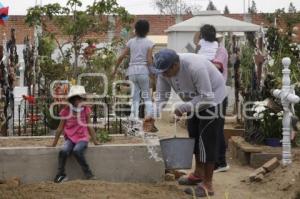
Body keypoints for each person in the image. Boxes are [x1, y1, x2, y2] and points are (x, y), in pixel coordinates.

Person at [153, 49, 226, 197]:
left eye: (166, 71)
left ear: (175, 64)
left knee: (207, 140)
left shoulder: (195, 67)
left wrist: (184, 108)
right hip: (194, 101)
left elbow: (207, 98)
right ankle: (198, 174)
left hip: (214, 100)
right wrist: (151, 114)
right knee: (194, 135)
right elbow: (161, 97)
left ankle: (208, 184)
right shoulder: (163, 72)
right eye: (161, 72)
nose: (163, 75)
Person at [194, 28, 230, 173]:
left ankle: (221, 162)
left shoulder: (221, 50)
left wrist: (201, 62)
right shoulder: (200, 47)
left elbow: (217, 66)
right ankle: (210, 162)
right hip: (203, 94)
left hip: (218, 94)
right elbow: (184, 52)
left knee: (217, 129)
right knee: (206, 130)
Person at [51, 85, 100, 183]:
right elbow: (60, 128)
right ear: (72, 99)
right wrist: (54, 144)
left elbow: (89, 126)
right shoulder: (66, 111)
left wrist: (95, 141)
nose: (78, 100)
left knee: (77, 151)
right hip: (70, 138)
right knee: (63, 151)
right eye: (75, 98)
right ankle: (61, 174)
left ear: (83, 99)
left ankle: (88, 174)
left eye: (80, 98)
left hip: (82, 138)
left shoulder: (86, 110)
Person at [113, 19, 156, 132]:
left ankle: (134, 123)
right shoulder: (149, 43)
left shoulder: (131, 42)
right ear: (147, 30)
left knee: (135, 98)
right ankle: (149, 121)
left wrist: (114, 69)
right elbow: (149, 60)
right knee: (147, 97)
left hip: (132, 72)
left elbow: (121, 57)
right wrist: (153, 74)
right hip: (143, 71)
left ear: (135, 30)